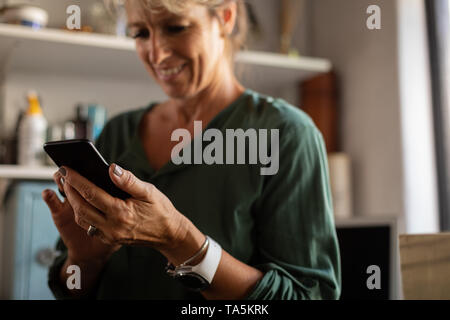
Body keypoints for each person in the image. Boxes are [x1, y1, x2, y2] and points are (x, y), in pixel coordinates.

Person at [42, 0, 341, 300]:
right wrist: (85, 260)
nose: (157, 54)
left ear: (226, 16)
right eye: (140, 34)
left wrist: (179, 240)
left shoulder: (285, 135)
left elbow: (309, 295)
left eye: (176, 27)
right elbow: (72, 290)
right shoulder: (118, 133)